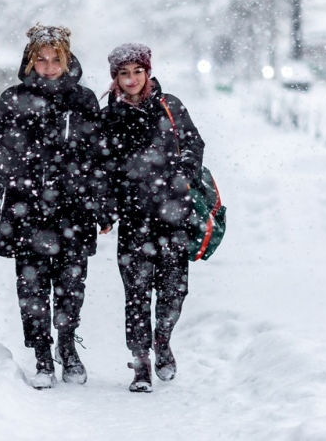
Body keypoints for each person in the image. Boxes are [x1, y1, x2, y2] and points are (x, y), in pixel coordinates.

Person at [0, 24, 102, 389]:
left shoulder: (83, 100)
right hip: (26, 206)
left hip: (73, 207)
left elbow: (99, 158)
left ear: (67, 60)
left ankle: (67, 344)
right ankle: (42, 355)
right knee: (31, 288)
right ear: (30, 60)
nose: (48, 67)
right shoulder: (13, 100)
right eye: (41, 59)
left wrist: (104, 206)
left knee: (70, 286)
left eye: (55, 60)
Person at [98, 43, 204, 393]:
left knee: (175, 291)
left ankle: (163, 340)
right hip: (134, 218)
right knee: (137, 293)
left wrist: (181, 176)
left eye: (137, 72)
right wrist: (109, 204)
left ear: (148, 72)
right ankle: (140, 362)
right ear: (115, 77)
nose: (131, 79)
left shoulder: (169, 106)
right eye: (124, 73)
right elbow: (102, 167)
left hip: (173, 214)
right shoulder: (108, 115)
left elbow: (194, 145)